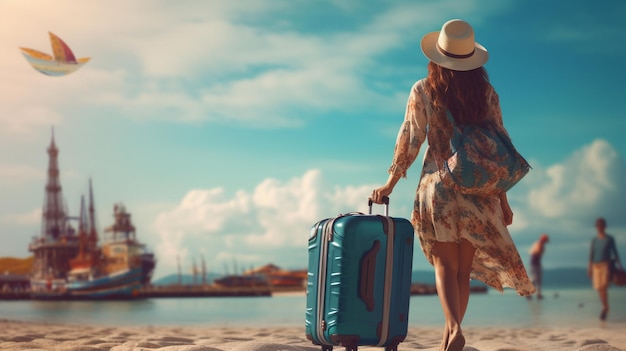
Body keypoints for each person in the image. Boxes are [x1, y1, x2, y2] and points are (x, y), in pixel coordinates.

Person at [370, 19, 535, 351]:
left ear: (437, 57)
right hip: (479, 193)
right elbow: (496, 148)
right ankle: (450, 335)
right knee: (462, 271)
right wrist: (502, 201)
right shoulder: (485, 93)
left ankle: (453, 328)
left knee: (444, 264)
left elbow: (410, 139)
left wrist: (389, 183)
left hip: (440, 187)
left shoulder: (424, 89)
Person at [588, 217, 621, 321]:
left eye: (601, 225)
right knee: (598, 287)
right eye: (598, 225)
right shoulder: (594, 240)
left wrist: (619, 267)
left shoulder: (609, 239)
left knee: (604, 287)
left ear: (604, 226)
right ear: (596, 227)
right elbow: (591, 255)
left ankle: (605, 307)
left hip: (606, 265)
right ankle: (605, 306)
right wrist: (589, 268)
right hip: (595, 265)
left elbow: (615, 253)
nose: (599, 227)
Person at [528, 233, 549, 299]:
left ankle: (537, 294)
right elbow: (536, 252)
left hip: (535, 264)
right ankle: (530, 292)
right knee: (535, 278)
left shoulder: (539, 244)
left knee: (537, 279)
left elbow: (534, 252)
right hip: (534, 264)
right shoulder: (539, 244)